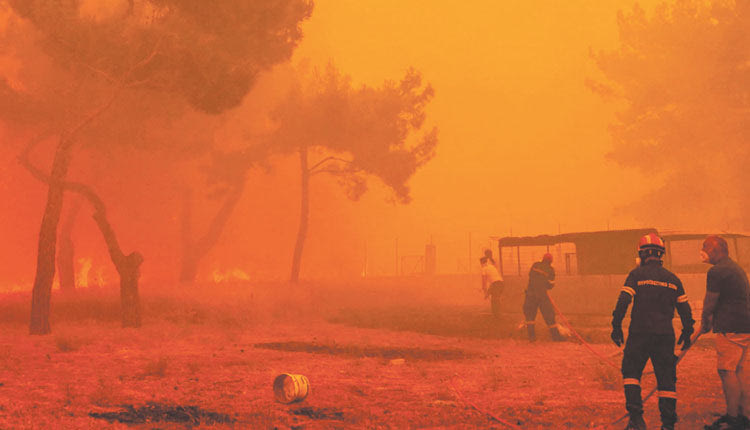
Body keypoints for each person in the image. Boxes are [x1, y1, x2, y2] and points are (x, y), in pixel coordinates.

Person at [611, 233, 694, 430]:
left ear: (641, 254)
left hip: (639, 333)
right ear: (661, 255)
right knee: (666, 380)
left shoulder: (636, 275)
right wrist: (687, 331)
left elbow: (624, 300)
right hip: (665, 336)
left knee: (631, 373)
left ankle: (636, 420)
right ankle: (668, 424)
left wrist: (615, 326)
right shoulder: (673, 279)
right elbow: (685, 308)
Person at [700, 235, 750, 430]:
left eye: (705, 246)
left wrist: (705, 321)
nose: (702, 250)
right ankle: (744, 416)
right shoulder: (735, 268)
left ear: (717, 249)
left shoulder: (717, 271)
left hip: (730, 328)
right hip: (745, 326)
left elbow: (710, 302)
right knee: (741, 371)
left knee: (726, 370)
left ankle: (732, 419)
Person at [523, 252, 565, 342]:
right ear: (551, 261)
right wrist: (544, 284)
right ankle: (556, 337)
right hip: (542, 295)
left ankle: (532, 338)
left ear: (542, 259)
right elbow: (551, 285)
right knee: (549, 315)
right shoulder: (551, 269)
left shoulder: (535, 265)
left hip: (530, 294)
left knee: (530, 317)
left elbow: (531, 275)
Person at [480, 254, 504, 318]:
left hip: (496, 284)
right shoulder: (491, 266)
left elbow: (484, 281)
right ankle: (497, 314)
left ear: (481, 263)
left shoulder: (484, 269)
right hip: (501, 283)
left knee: (494, 299)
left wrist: (484, 290)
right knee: (496, 298)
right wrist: (487, 293)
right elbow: (492, 284)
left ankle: (496, 314)